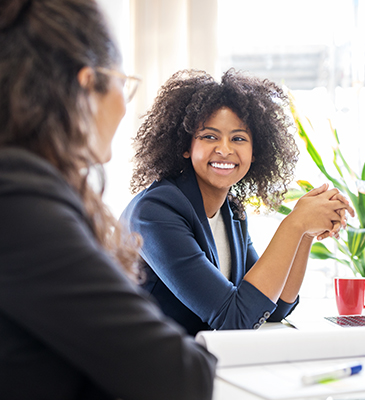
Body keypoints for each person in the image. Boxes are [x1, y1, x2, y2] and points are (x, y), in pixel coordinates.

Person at [0, 1, 216, 399]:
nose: (124, 103)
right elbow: (178, 374)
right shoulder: (20, 201)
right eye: (123, 82)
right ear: (86, 85)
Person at [121, 69, 355, 336]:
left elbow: (273, 306)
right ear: (185, 146)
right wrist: (294, 223)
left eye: (238, 138)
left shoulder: (231, 211)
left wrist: (304, 234)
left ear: (255, 152)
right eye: (210, 136)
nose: (225, 149)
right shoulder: (155, 211)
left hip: (194, 360)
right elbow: (235, 319)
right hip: (142, 369)